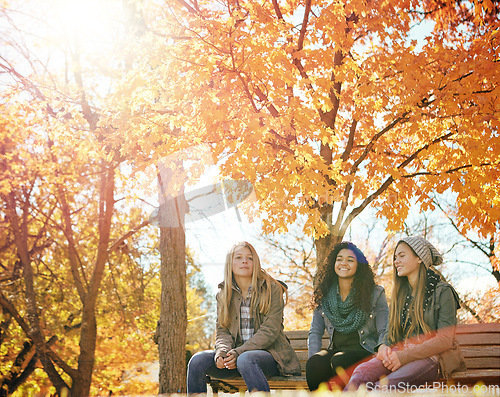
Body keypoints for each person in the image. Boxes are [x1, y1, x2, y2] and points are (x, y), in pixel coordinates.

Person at [345, 236, 466, 390]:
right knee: (361, 374)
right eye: (395, 257)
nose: (396, 261)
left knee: (383, 387)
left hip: (433, 358)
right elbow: (391, 332)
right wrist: (383, 347)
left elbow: (444, 340)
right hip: (401, 352)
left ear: (419, 258)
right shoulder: (400, 293)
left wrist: (404, 357)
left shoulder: (443, 291)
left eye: (402, 256)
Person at [186, 241, 301, 393]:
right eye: (239, 257)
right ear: (230, 264)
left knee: (246, 359)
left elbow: (270, 330)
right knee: (197, 360)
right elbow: (222, 330)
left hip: (270, 357)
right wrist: (222, 352)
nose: (245, 261)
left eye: (250, 258)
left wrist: (239, 352)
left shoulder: (272, 288)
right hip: (234, 359)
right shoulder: (223, 294)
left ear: (256, 262)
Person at [306, 241, 389, 391]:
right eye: (339, 259)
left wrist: (383, 349)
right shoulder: (324, 296)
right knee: (315, 363)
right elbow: (315, 332)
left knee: (340, 360)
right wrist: (313, 356)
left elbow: (385, 328)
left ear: (359, 265)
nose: (344, 263)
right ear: (333, 263)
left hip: (366, 352)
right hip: (336, 352)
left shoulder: (375, 294)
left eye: (350, 260)